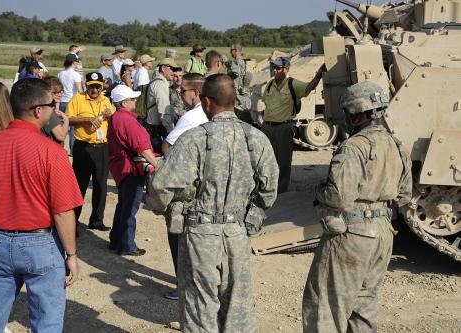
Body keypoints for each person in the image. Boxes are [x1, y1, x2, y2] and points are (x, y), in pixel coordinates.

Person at [146, 74, 279, 333]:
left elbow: (161, 186)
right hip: (237, 233)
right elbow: (270, 190)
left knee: (199, 307)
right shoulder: (257, 138)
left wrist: (160, 206)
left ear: (207, 102)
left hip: (200, 234)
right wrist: (248, 215)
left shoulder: (194, 139)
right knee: (237, 307)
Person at [0, 78, 83, 333]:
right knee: (46, 322)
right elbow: (63, 211)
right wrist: (72, 255)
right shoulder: (51, 151)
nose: (56, 110)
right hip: (40, 245)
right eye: (53, 104)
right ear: (38, 110)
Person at [302, 81, 413, 333]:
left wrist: (320, 190)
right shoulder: (397, 145)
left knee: (326, 309)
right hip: (383, 234)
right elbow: (405, 195)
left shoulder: (354, 147)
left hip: (351, 235)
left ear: (358, 114)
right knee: (364, 309)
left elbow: (339, 196)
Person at [160, 73, 208, 301]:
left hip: (186, 187)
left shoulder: (191, 117)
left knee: (177, 234)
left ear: (195, 93)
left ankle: (182, 285)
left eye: (183, 92)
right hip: (207, 187)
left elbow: (167, 146)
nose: (180, 95)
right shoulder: (213, 114)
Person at [107, 85, 157, 256]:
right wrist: (157, 166)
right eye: (132, 99)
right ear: (124, 102)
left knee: (123, 205)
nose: (135, 100)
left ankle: (115, 240)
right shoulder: (127, 120)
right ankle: (127, 245)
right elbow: (141, 147)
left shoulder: (117, 117)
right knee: (129, 208)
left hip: (121, 168)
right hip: (130, 169)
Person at [66, 72, 115, 232]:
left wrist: (111, 114)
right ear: (86, 86)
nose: (94, 90)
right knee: (79, 186)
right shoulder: (77, 99)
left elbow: (113, 116)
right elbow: (68, 119)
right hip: (83, 147)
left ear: (102, 87)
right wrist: (85, 119)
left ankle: (96, 220)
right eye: (91, 86)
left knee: (101, 185)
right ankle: (72, 223)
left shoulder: (106, 100)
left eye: (97, 87)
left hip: (102, 148)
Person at [261, 56, 308, 193]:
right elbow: (267, 103)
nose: (274, 70)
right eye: (273, 68)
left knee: (283, 161)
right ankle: (268, 186)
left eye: (277, 68)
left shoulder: (292, 84)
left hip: (283, 127)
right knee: (267, 159)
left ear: (286, 69)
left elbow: (308, 88)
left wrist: (319, 75)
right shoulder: (270, 84)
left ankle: (281, 189)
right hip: (268, 127)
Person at [145, 57, 178, 153]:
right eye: (172, 69)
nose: (174, 72)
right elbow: (163, 111)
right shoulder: (160, 84)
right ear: (163, 68)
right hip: (157, 130)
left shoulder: (161, 82)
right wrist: (171, 131)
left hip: (156, 129)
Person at [58, 53, 83, 152]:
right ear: (73, 62)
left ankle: (60, 147)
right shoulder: (75, 74)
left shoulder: (60, 73)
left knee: (62, 126)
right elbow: (80, 90)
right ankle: (73, 150)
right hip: (72, 102)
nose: (78, 63)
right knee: (72, 128)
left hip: (62, 101)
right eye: (77, 61)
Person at [225, 44, 252, 122]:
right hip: (241, 92)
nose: (230, 53)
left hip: (238, 93)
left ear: (236, 51)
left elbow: (235, 73)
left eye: (231, 51)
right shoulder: (241, 61)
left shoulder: (237, 62)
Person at [42, 76, 70, 143]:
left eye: (60, 92)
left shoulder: (44, 107)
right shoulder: (49, 111)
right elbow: (61, 136)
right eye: (55, 93)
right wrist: (66, 120)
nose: (59, 95)